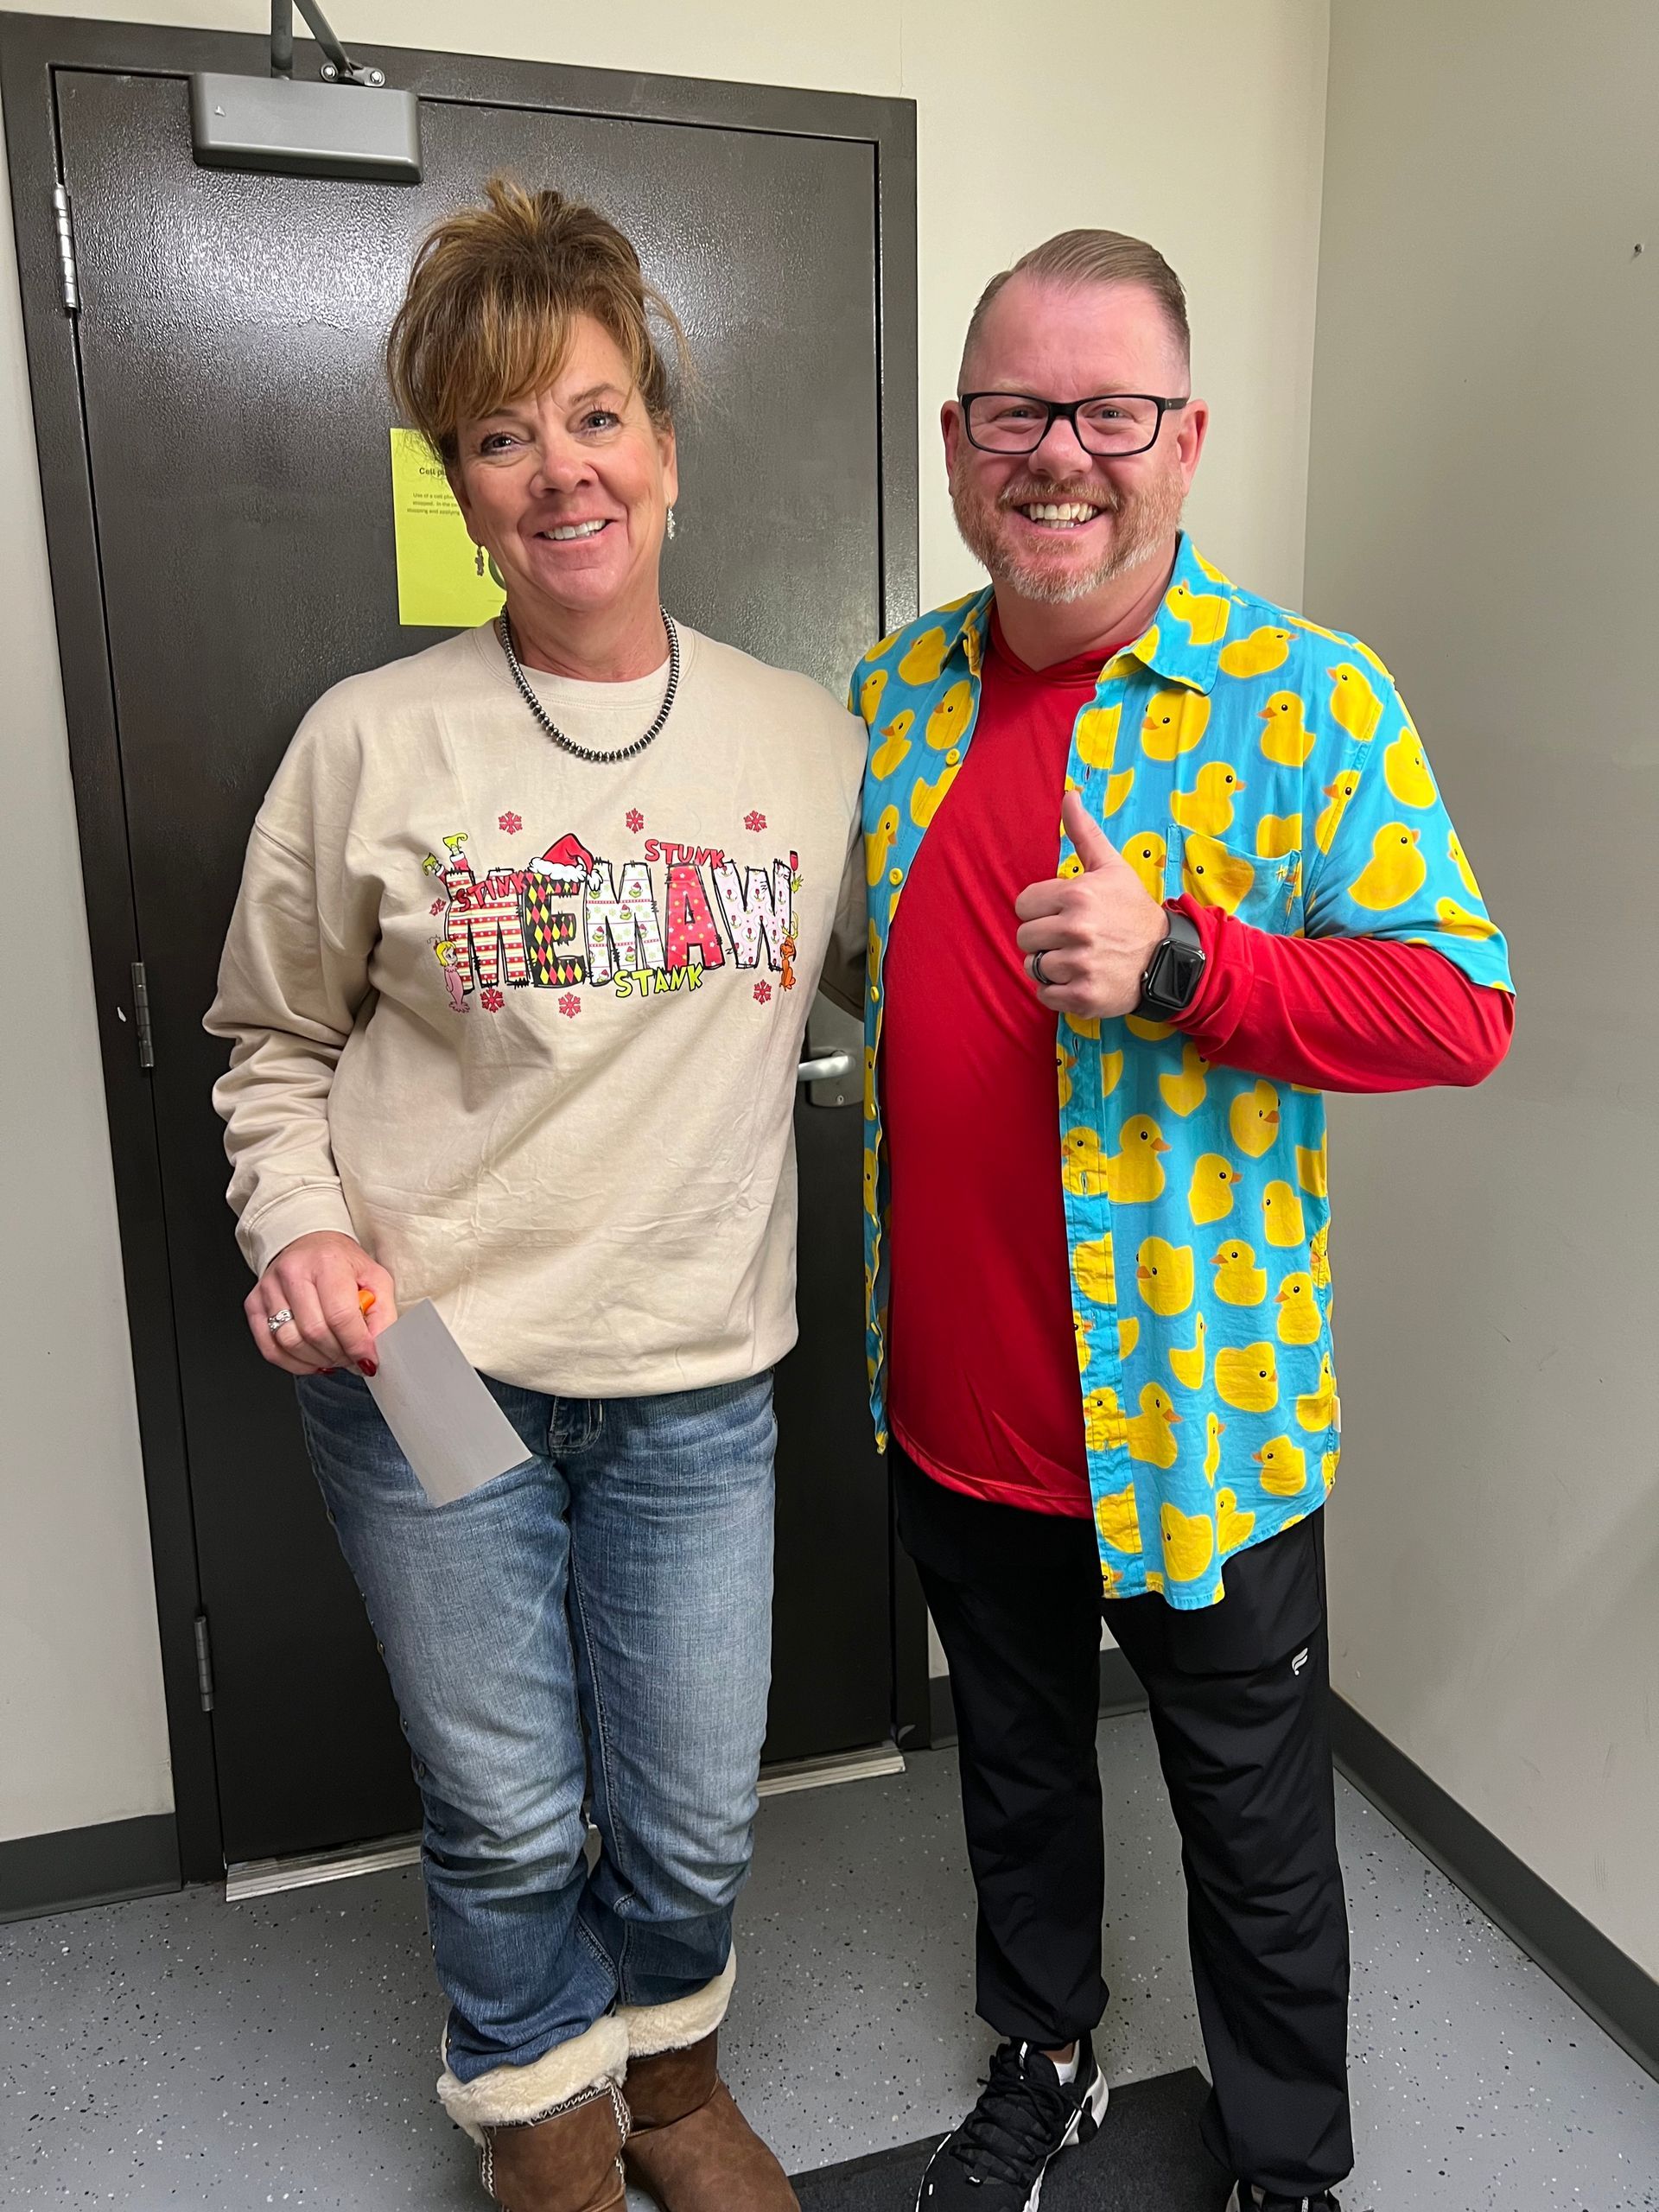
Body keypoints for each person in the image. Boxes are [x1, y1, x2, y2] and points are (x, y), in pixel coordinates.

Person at [207, 177, 865, 2212]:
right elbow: (269, 1044)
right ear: (461, 490)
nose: (556, 472)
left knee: (685, 1815)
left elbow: (910, 994)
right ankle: (550, 2125)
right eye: (501, 438)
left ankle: (672, 2082)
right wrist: (298, 1225)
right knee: (503, 1809)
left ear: (663, 447)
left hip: (693, 1372)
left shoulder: (809, 740)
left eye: (591, 417)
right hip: (431, 1377)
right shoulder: (366, 741)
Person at [846, 231, 1513, 2212]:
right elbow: (861, 975)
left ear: (1187, 436)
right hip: (958, 1403)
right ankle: (1042, 2053)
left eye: (1108, 409)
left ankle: (1288, 2162)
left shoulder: (1302, 698)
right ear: (958, 441)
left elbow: (1460, 1004)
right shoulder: (895, 696)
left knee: (1251, 1817)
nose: (1062, 454)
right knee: (1023, 1774)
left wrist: (1191, 968)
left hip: (1195, 1420)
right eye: (1017, 412)